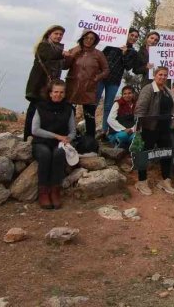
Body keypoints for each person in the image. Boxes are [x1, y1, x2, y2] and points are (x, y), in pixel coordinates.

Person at [134, 66, 174, 196]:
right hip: (149, 128)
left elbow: (173, 110)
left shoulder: (168, 91)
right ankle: (141, 181)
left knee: (166, 154)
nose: (163, 77)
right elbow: (140, 109)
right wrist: (139, 126)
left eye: (165, 75)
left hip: (165, 128)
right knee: (144, 155)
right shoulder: (148, 89)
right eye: (160, 74)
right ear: (154, 75)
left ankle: (165, 181)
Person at [31, 80, 75, 209]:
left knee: (59, 153)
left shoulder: (68, 109)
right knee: (45, 154)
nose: (58, 95)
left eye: (61, 92)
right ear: (50, 93)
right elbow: (35, 130)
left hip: (60, 143)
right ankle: (43, 192)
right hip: (41, 142)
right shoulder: (40, 107)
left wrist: (68, 139)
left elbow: (72, 131)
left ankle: (55, 191)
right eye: (55, 92)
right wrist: (56, 136)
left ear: (64, 94)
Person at [24, 25, 67, 141]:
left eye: (61, 34)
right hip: (39, 85)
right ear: (49, 34)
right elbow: (51, 55)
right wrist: (64, 53)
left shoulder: (58, 49)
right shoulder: (43, 46)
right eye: (56, 33)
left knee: (43, 112)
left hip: (50, 86)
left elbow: (64, 65)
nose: (59, 36)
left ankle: (40, 137)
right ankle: (28, 136)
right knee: (34, 110)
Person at [65, 30, 109, 139]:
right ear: (82, 38)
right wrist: (72, 54)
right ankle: (69, 137)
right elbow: (65, 66)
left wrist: (96, 78)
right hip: (73, 86)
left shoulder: (98, 54)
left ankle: (90, 140)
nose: (89, 40)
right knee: (69, 113)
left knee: (89, 115)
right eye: (86, 38)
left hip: (89, 87)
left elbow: (106, 70)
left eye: (91, 38)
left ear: (95, 40)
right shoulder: (74, 50)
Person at [97, 29, 140, 138]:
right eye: (132, 35)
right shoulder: (113, 44)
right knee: (94, 102)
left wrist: (124, 53)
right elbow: (101, 57)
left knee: (108, 106)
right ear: (127, 35)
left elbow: (128, 67)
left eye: (136, 37)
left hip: (114, 80)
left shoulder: (133, 52)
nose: (133, 38)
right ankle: (89, 131)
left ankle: (104, 131)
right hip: (101, 77)